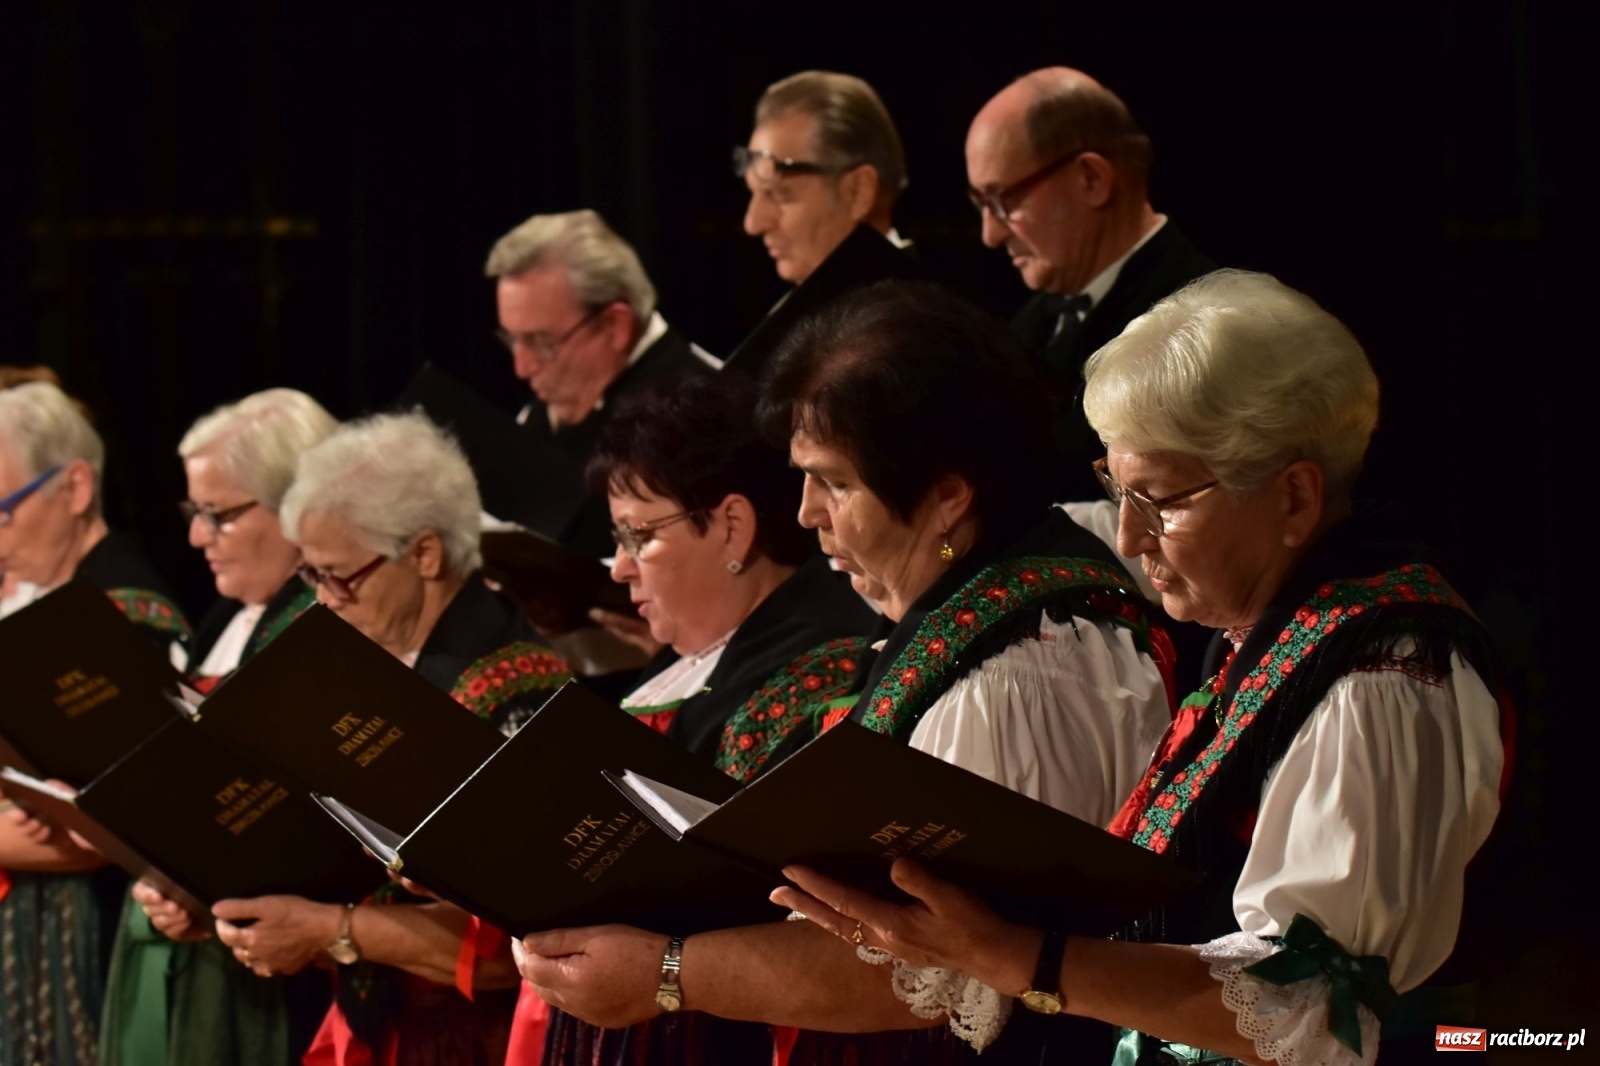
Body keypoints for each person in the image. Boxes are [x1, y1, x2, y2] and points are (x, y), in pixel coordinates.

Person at [772, 270, 1508, 1066]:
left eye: (1159, 498)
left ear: (1295, 498)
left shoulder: (1384, 677)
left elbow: (1309, 1007)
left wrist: (1010, 955)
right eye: (1116, 489)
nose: (1128, 537)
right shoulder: (1274, 626)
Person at [514, 281, 1172, 1064]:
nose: (805, 513)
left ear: (946, 495)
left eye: (834, 481)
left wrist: (666, 974)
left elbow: (929, 967)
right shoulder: (976, 613)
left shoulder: (1015, 671)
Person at [523, 372, 880, 1065]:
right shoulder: (688, 665)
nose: (619, 569)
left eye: (637, 536)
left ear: (731, 526)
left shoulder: (824, 671)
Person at [208, 411, 573, 1066]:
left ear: (425, 554)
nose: (324, 601)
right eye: (311, 575)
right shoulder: (362, 661)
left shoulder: (515, 685)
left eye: (339, 575)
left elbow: (520, 945)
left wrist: (329, 929)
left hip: (471, 1040)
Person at [99, 388, 339, 1066]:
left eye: (218, 515)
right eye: (193, 513)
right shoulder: (227, 617)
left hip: (283, 982)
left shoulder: (321, 628)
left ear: (297, 507)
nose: (196, 538)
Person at [0, 381, 190, 1066]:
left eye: (1, 511)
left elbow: (113, 823)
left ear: (75, 487)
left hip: (106, 934)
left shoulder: (124, 613)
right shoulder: (44, 601)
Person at [965, 67, 1216, 501]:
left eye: (1004, 200)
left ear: (1091, 179)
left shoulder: (1202, 325)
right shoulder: (1028, 324)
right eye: (980, 204)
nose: (990, 234)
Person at [486, 209, 720, 557]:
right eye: (512, 340)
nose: (522, 368)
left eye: (542, 343)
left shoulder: (702, 410)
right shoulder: (541, 414)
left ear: (615, 326)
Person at [726, 70, 923, 374]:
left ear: (858, 191)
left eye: (778, 194)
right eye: (753, 194)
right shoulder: (809, 317)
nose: (753, 223)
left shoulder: (913, 341)